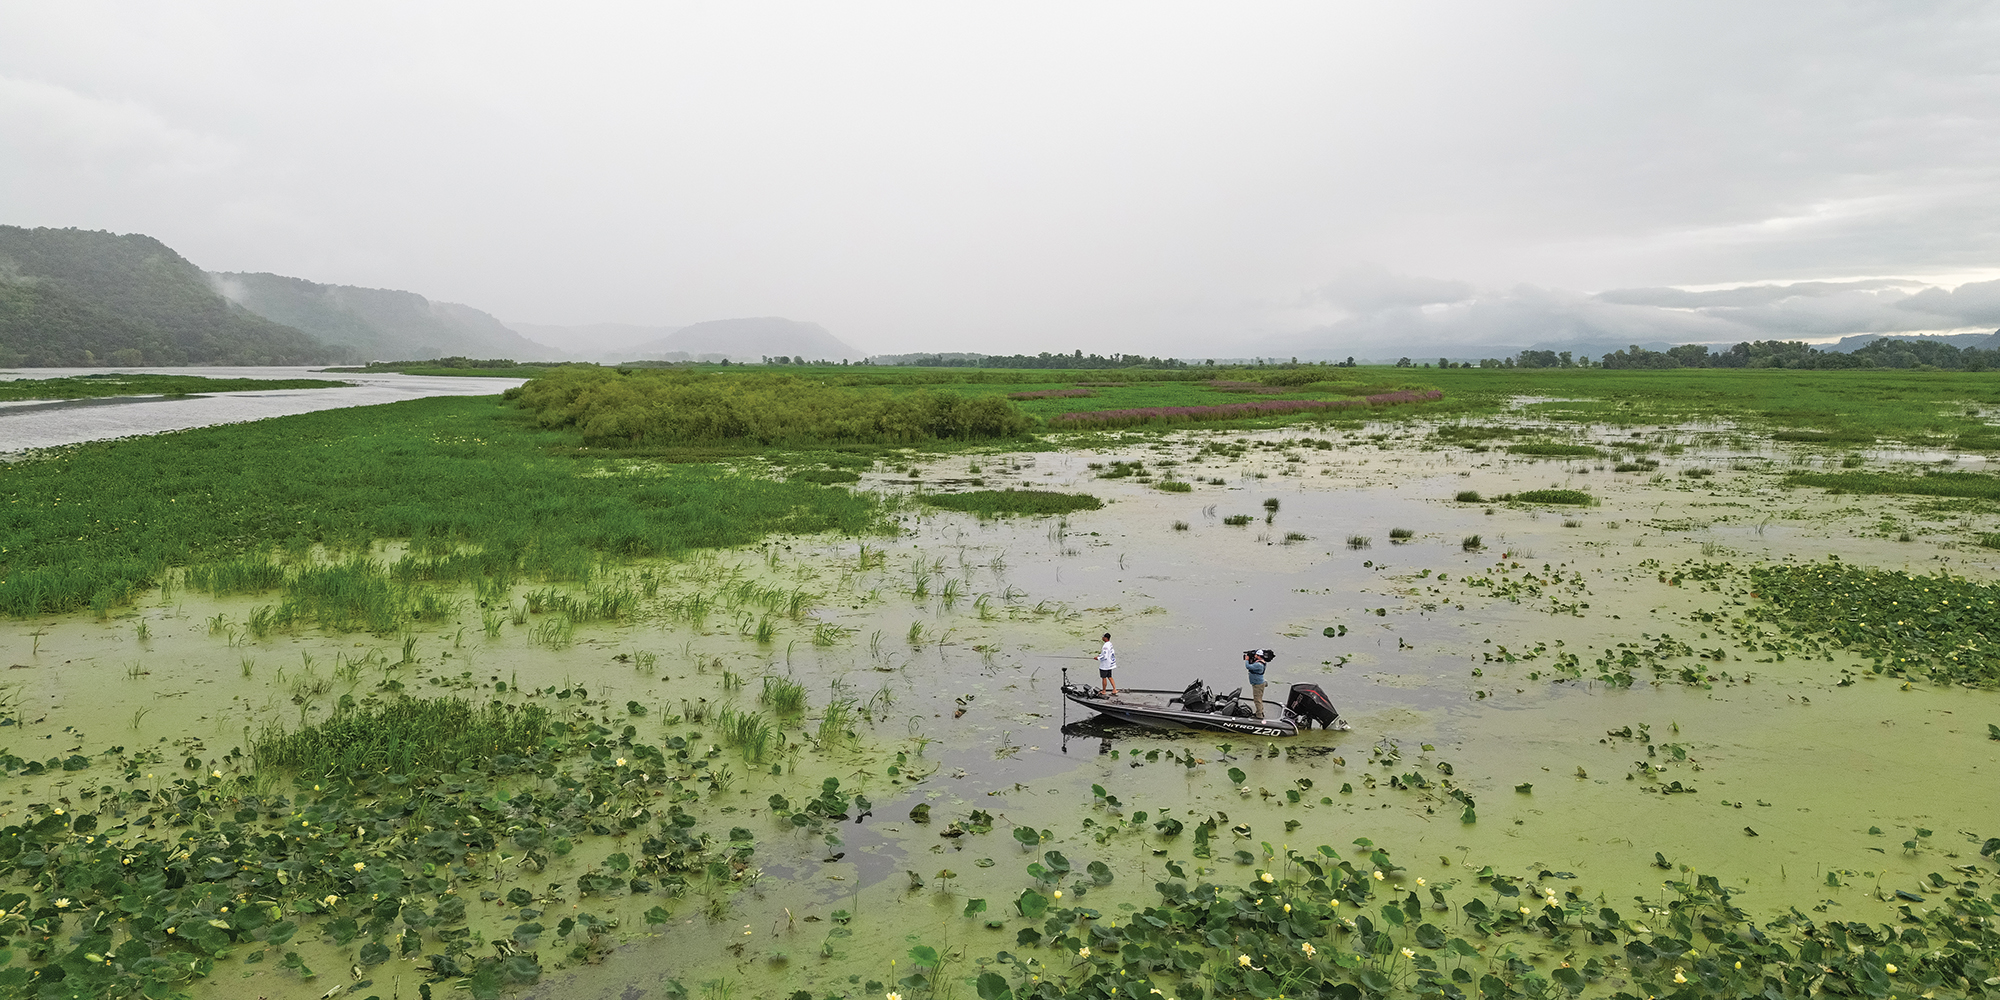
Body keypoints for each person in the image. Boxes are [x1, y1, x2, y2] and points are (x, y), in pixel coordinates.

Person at [1243, 648, 1275, 719]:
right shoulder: (1259, 662)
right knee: (1258, 699)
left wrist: (1246, 659)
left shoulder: (1259, 665)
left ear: (1259, 656)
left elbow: (1248, 666)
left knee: (1257, 700)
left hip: (1258, 684)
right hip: (1257, 682)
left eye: (1256, 655)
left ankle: (1259, 715)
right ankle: (1259, 711)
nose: (1255, 656)